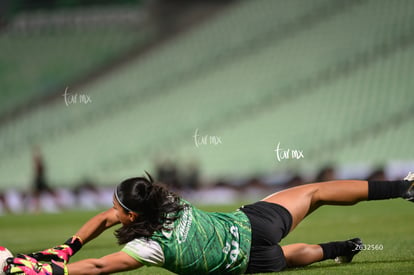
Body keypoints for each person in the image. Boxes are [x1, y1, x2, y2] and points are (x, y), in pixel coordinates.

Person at [5, 171, 414, 275]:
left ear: (131, 216)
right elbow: (107, 216)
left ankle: (345, 248)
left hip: (245, 262)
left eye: (117, 209)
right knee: (317, 192)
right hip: (253, 224)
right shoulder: (166, 201)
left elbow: (98, 267)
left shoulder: (146, 248)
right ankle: (404, 188)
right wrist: (68, 245)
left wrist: (53, 269)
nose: (111, 214)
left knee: (289, 259)